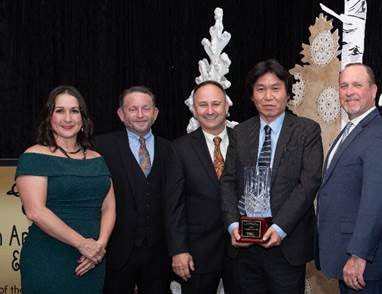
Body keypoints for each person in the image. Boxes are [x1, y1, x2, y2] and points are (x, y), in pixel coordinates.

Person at [220, 59, 323, 294]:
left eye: (275, 88)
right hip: (245, 244)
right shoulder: (240, 132)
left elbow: (308, 184)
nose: (268, 97)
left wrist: (280, 228)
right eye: (260, 89)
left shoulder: (306, 130)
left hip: (286, 243)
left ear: (287, 93)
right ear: (252, 96)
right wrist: (233, 225)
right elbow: (227, 182)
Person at [16, 85, 115, 293]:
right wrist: (82, 244)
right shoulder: (34, 156)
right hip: (48, 260)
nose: (68, 118)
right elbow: (36, 211)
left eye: (74, 111)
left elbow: (109, 208)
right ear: (49, 117)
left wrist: (100, 247)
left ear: (83, 118)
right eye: (60, 111)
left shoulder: (97, 159)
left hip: (92, 261)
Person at [316, 63, 382, 294]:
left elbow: (377, 200)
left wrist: (358, 255)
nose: (349, 91)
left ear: (373, 91)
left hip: (365, 266)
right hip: (345, 259)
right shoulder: (350, 131)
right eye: (343, 86)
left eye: (357, 85)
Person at [96, 86, 174, 293]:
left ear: (155, 113)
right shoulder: (100, 147)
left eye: (146, 108)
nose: (140, 115)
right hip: (116, 252)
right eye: (133, 109)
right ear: (121, 114)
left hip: (159, 255)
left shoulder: (170, 149)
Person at [165, 80, 238, 293]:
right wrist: (178, 250)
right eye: (203, 105)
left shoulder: (244, 141)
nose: (210, 111)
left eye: (216, 104)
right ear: (195, 110)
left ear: (226, 106)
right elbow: (173, 206)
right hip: (198, 253)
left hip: (241, 250)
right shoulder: (179, 149)